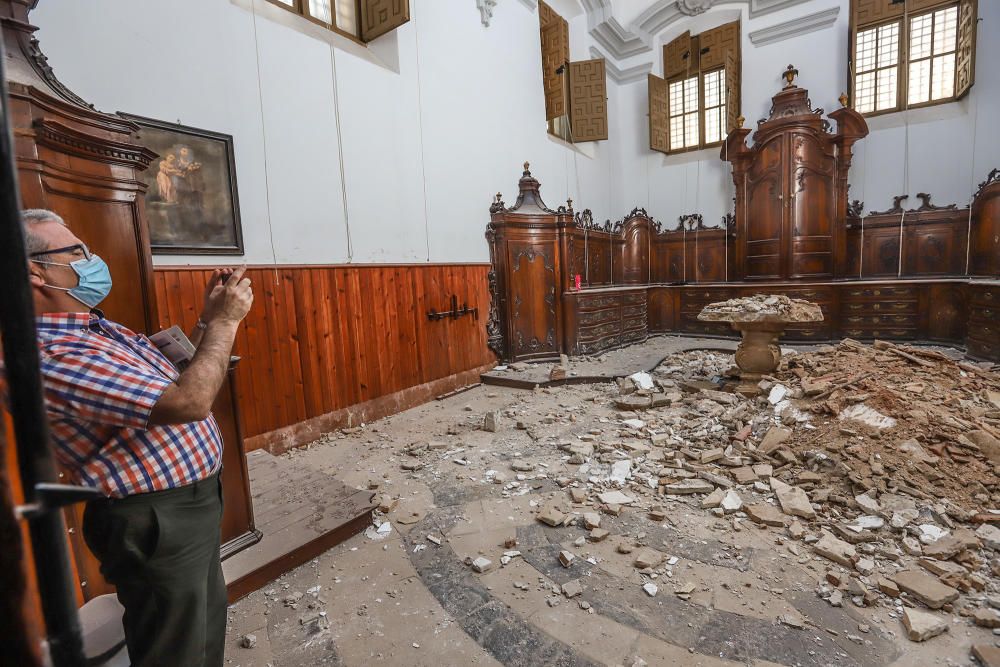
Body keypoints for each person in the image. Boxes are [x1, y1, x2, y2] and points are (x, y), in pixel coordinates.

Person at [17, 208, 253, 666]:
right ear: (34, 272)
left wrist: (206, 321)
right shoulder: (47, 352)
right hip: (154, 518)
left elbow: (170, 383)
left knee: (202, 629)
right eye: (78, 252)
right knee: (174, 649)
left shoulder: (90, 328)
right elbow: (189, 402)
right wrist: (226, 323)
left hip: (188, 505)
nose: (93, 260)